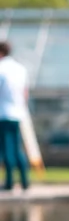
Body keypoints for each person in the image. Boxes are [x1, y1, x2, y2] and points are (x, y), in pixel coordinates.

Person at [0, 41, 30, 192]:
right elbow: (25, 93)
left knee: (7, 149)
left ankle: (9, 182)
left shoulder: (1, 69)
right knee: (16, 148)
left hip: (3, 113)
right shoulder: (20, 69)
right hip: (17, 113)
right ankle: (25, 181)